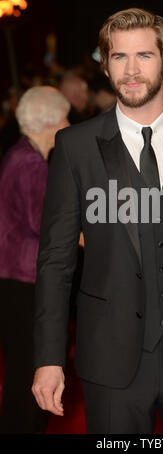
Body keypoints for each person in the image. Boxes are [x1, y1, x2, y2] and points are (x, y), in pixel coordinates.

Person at [32, 8, 163, 434]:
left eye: (144, 56)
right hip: (111, 356)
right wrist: (48, 357)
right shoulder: (75, 147)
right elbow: (55, 261)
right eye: (118, 57)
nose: (131, 71)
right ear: (106, 63)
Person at [0, 86, 70, 433]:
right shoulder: (30, 163)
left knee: (21, 367)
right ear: (50, 121)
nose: (68, 123)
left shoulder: (22, 155)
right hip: (23, 280)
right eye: (64, 117)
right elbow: (48, 226)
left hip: (15, 277)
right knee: (28, 369)